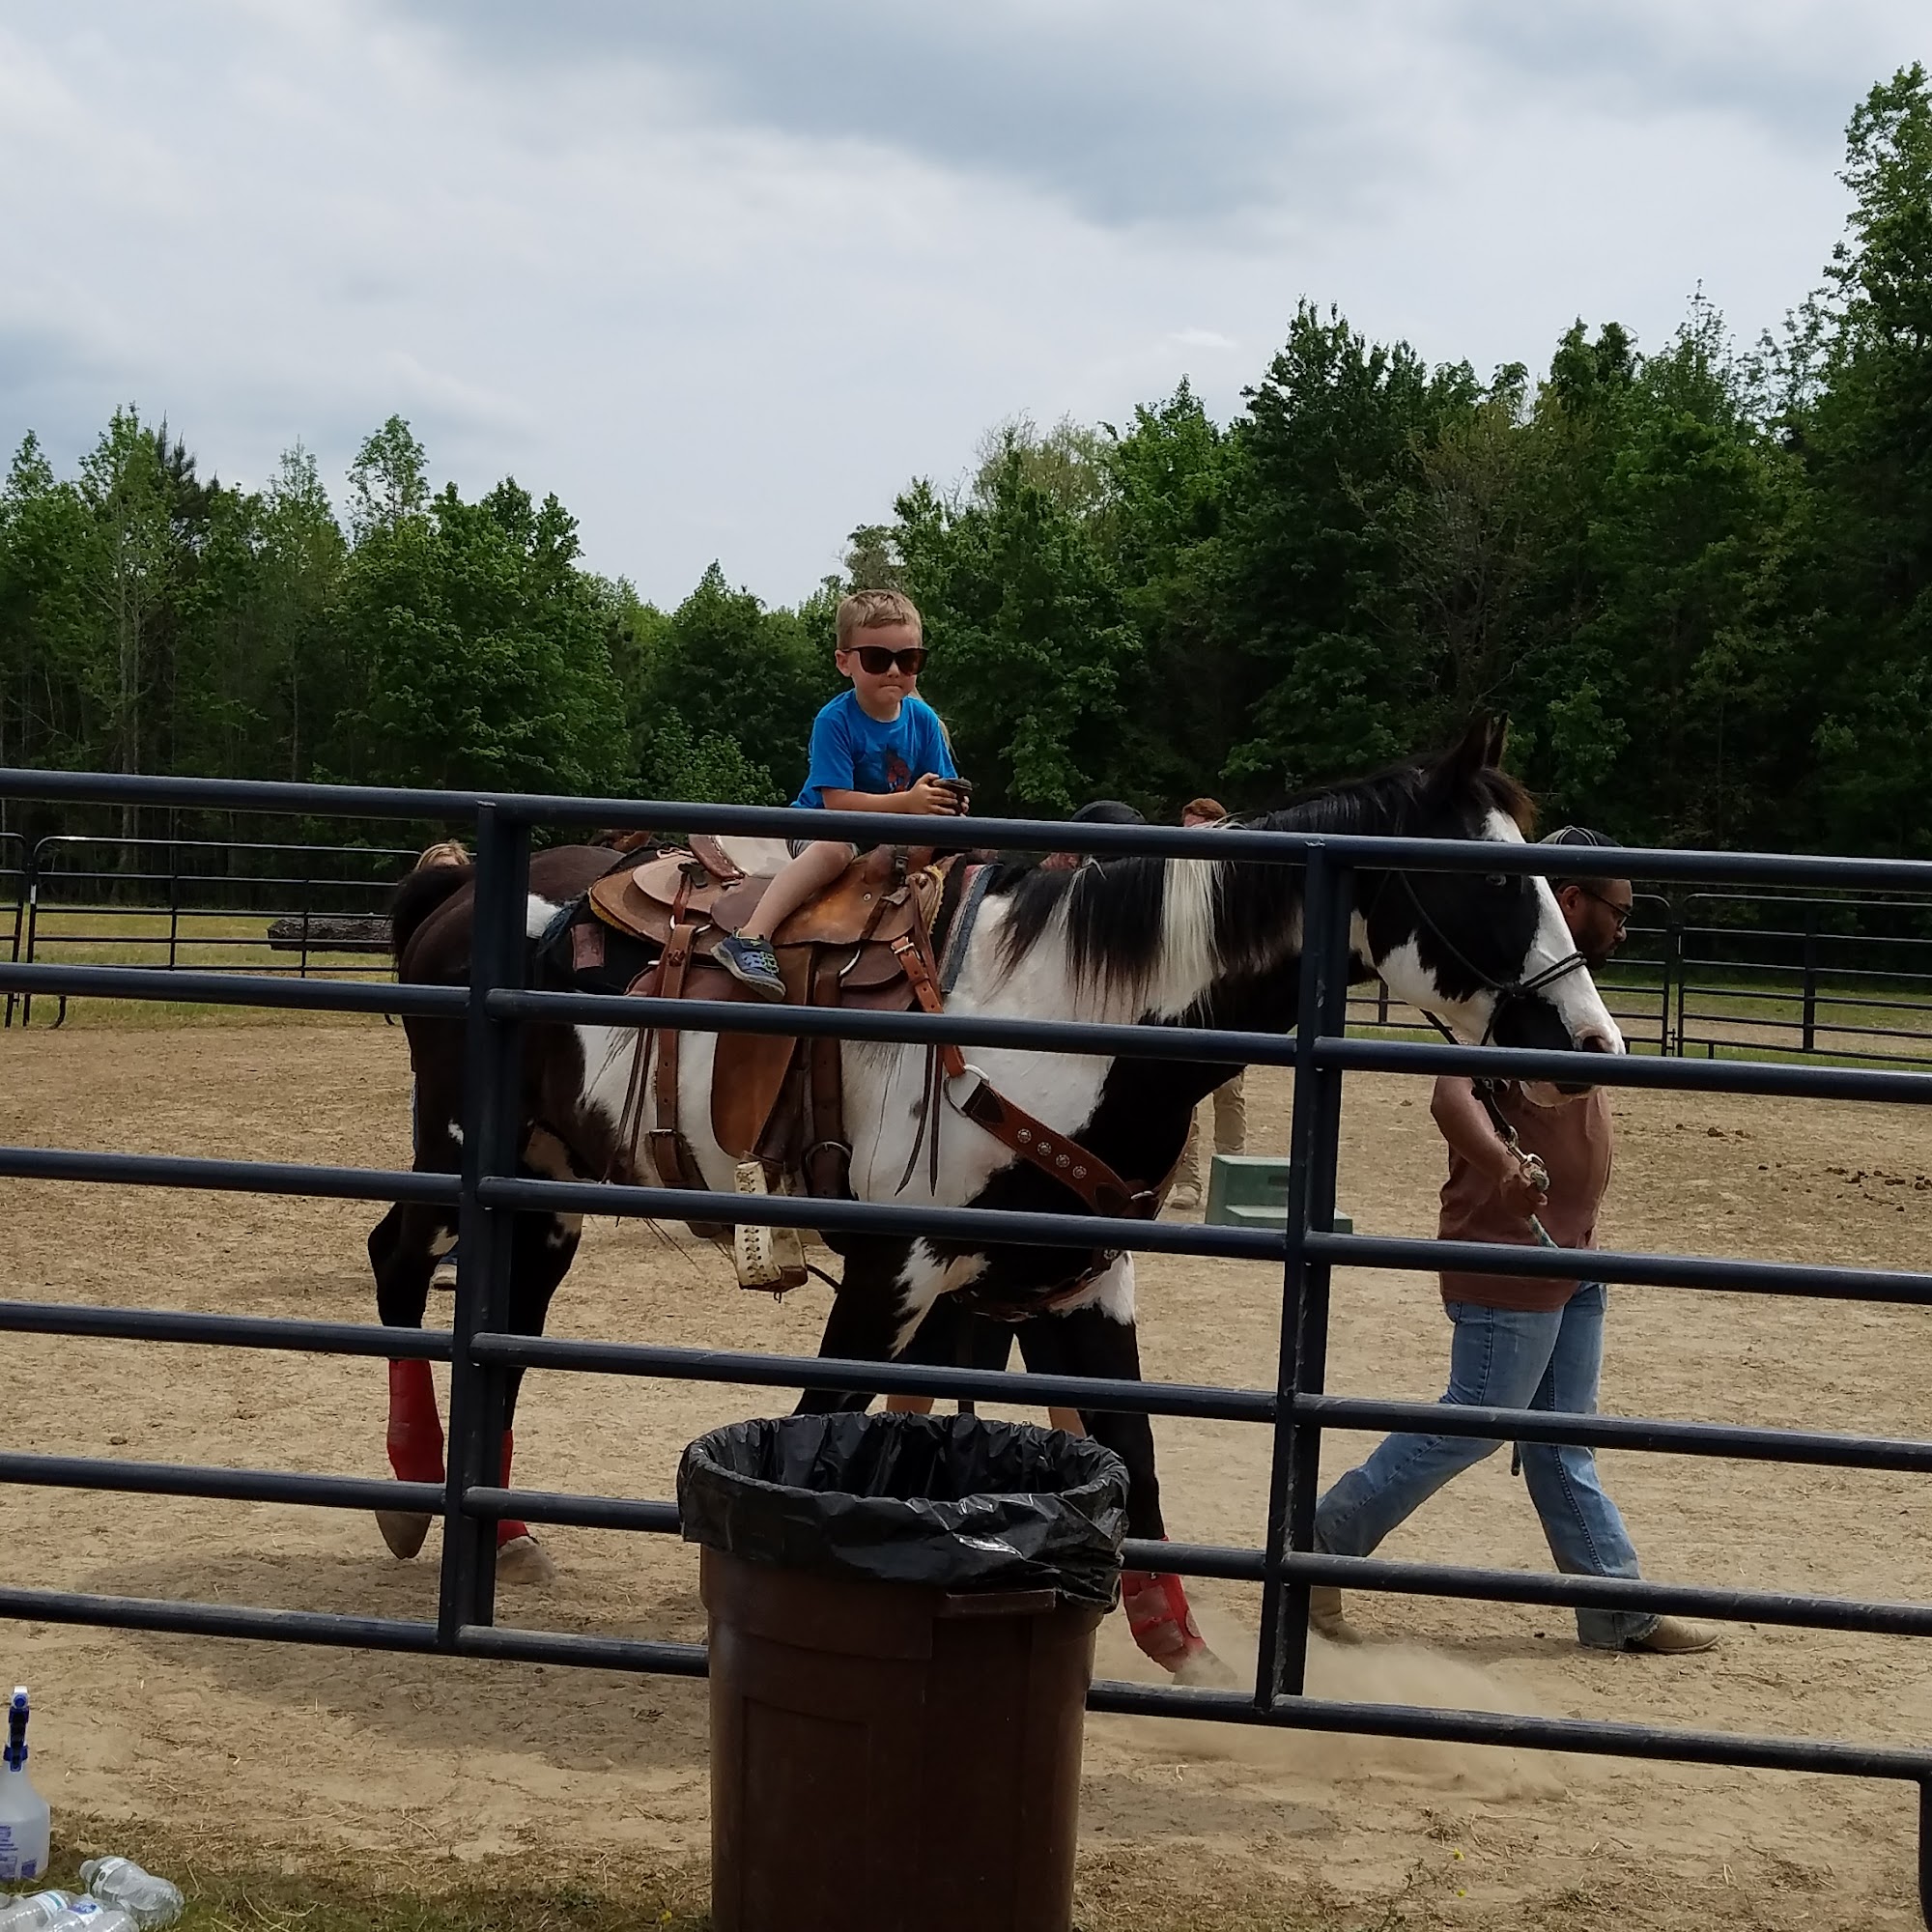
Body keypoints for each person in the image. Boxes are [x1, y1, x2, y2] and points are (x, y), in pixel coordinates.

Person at [1309, 826, 1719, 1656]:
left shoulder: (1563, 993)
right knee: (1473, 1423)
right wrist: (1503, 1165)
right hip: (1513, 1248)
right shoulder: (1502, 993)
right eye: (1617, 911)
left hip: (1572, 1251)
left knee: (1561, 1438)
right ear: (1570, 900)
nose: (1624, 928)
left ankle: (1615, 1607)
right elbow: (1451, 1094)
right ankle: (1319, 1544)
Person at [715, 589, 966, 999]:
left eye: (908, 660)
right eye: (877, 659)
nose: (894, 671)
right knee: (835, 851)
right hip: (821, 826)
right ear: (844, 662)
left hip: (890, 834)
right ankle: (752, 936)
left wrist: (947, 803)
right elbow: (837, 803)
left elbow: (937, 784)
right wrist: (909, 803)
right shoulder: (834, 720)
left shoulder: (923, 719)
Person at [1168, 796, 1244, 1210]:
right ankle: (1187, 1181)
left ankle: (1233, 1172)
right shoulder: (1174, 884)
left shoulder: (1235, 883)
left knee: (1229, 1091)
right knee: (1184, 1095)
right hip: (1184, 996)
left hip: (1225, 997)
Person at [408, 839, 471, 1293]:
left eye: (453, 873)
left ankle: (457, 1252)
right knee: (432, 1151)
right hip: (435, 1062)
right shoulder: (421, 932)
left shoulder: (476, 925)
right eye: (436, 873)